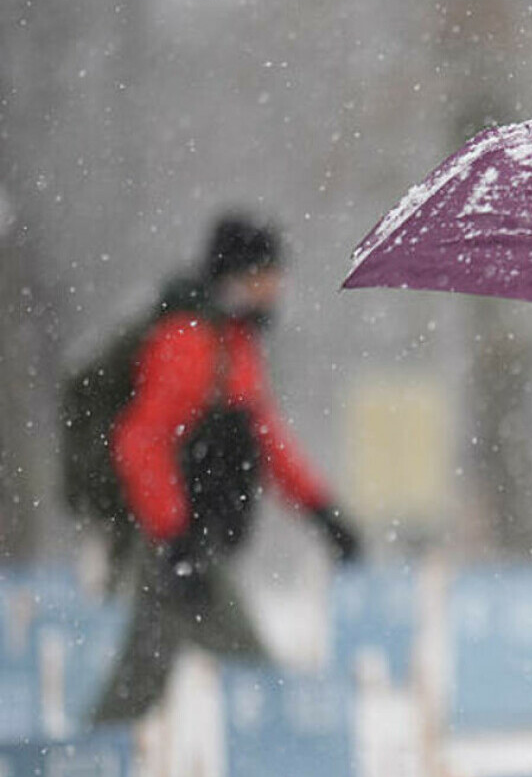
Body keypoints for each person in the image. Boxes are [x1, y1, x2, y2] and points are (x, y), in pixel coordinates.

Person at [89, 213, 361, 725]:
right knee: (254, 671)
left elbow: (265, 440)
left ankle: (82, 769)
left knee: (138, 679)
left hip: (190, 541)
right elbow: (140, 444)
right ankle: (285, 765)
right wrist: (175, 538)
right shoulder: (188, 343)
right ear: (238, 277)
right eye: (267, 275)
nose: (278, 288)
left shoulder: (233, 344)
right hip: (181, 544)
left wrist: (323, 512)